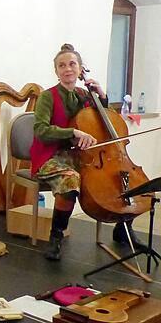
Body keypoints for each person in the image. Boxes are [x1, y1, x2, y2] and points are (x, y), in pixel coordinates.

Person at [31, 43, 143, 261]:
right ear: (56, 71)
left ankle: (123, 228)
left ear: (80, 69)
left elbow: (106, 120)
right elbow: (40, 130)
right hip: (50, 156)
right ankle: (56, 236)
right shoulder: (48, 97)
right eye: (61, 65)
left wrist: (102, 96)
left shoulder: (84, 94)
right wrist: (72, 131)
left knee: (122, 178)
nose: (67, 69)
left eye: (72, 64)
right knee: (71, 179)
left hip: (81, 156)